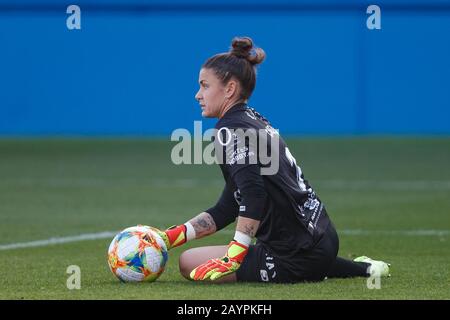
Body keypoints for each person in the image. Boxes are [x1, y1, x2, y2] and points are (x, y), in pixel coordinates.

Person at [152, 36, 390, 283]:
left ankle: (316, 267)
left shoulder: (228, 130)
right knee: (202, 253)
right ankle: (363, 269)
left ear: (230, 89)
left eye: (204, 85)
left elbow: (254, 195)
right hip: (323, 239)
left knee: (187, 262)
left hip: (295, 253)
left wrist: (234, 255)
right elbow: (231, 204)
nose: (197, 95)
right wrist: (172, 236)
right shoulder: (254, 119)